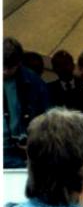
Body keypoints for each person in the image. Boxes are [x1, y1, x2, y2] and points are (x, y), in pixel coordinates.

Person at [3, 37, 50, 168]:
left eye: (9, 67)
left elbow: (46, 117)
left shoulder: (34, 82)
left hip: (20, 152)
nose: (4, 71)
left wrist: (36, 141)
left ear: (19, 63)